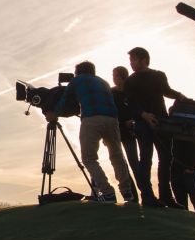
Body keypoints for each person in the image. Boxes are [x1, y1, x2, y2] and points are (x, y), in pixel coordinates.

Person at [44, 61, 136, 203]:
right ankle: (127, 193)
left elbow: (64, 100)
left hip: (92, 119)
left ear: (78, 72)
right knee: (117, 156)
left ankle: (107, 192)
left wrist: (54, 113)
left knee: (89, 158)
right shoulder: (103, 82)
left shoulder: (77, 81)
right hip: (112, 120)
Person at [124, 47, 187, 208]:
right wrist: (144, 115)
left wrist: (180, 96)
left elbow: (166, 91)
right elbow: (131, 103)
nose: (131, 63)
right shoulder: (130, 81)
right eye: (130, 60)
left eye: (134, 59)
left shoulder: (159, 75)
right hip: (142, 124)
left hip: (162, 122)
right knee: (146, 159)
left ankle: (166, 196)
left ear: (143, 59)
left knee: (166, 159)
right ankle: (148, 197)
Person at [111, 66, 140, 202]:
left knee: (134, 162)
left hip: (129, 132)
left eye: (115, 76)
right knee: (122, 165)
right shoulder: (111, 93)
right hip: (116, 131)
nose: (113, 78)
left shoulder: (130, 93)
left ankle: (145, 192)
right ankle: (132, 196)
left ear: (122, 77)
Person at [171, 139, 195, 215]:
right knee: (182, 204)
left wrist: (193, 167)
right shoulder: (172, 131)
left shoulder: (190, 132)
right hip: (177, 172)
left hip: (188, 172)